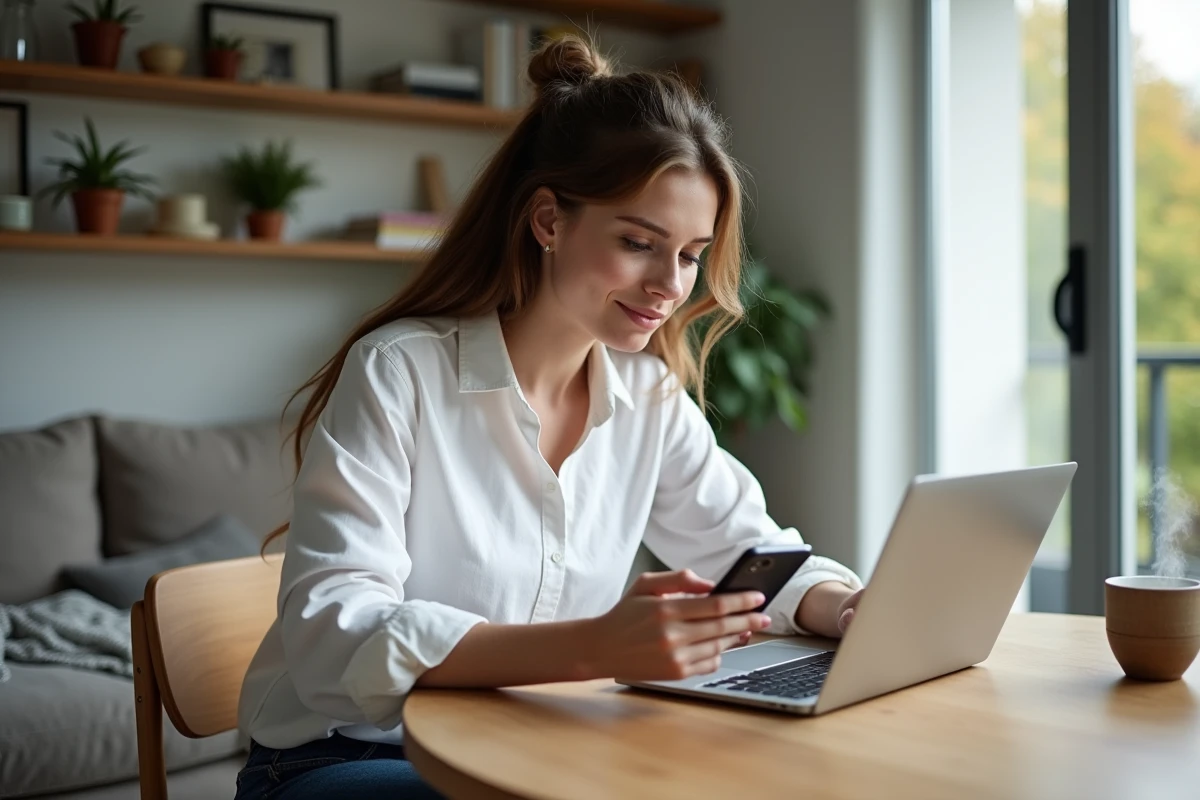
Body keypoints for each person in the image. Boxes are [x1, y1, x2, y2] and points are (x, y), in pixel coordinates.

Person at [233, 35, 864, 800]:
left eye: (692, 253)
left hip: (535, 748)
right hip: (343, 759)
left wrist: (843, 608)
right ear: (548, 221)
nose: (670, 284)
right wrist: (595, 646)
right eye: (639, 242)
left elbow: (751, 555)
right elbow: (334, 636)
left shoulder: (649, 400)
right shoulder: (400, 371)